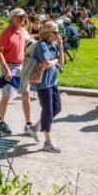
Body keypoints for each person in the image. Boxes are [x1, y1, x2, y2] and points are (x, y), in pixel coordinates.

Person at [0, 8, 38, 139]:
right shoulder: (6, 33)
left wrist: (35, 38)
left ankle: (28, 124)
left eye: (23, 17)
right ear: (12, 18)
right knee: (6, 96)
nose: (22, 19)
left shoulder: (22, 31)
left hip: (20, 66)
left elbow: (27, 41)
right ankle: (1, 123)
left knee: (25, 94)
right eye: (20, 17)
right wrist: (6, 69)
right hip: (8, 66)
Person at [29, 21, 65, 152]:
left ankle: (34, 127)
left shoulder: (53, 45)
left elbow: (61, 62)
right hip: (43, 84)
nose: (58, 35)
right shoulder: (42, 45)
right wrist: (55, 60)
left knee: (57, 108)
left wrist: (60, 47)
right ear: (47, 33)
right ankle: (48, 142)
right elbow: (48, 63)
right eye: (55, 32)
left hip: (53, 81)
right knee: (48, 110)